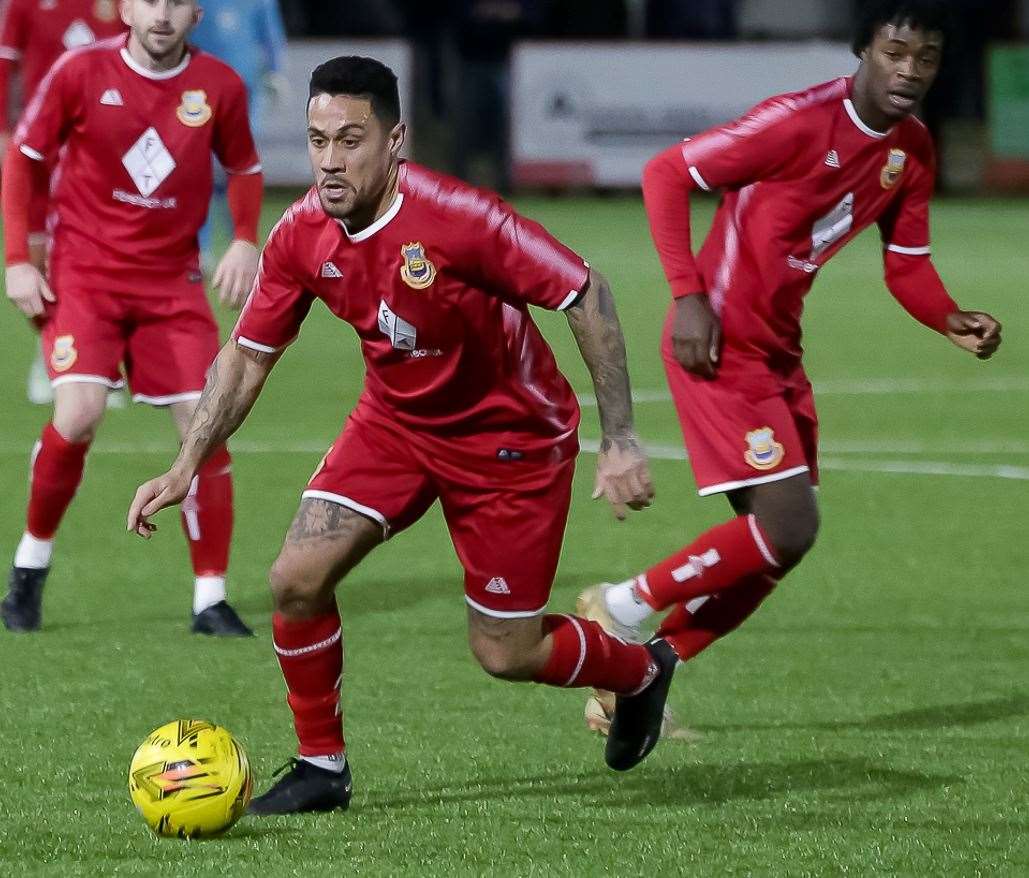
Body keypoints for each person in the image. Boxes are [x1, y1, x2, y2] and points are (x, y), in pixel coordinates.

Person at [128, 55, 664, 814]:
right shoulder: (301, 234)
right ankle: (322, 767)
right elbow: (247, 357)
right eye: (317, 141)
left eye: (351, 140)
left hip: (507, 441)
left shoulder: (459, 217)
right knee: (295, 579)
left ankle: (637, 671)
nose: (330, 161)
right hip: (395, 424)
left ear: (395, 140)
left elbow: (585, 291)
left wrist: (620, 439)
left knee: (504, 653)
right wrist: (187, 462)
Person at [576, 0, 1003, 753]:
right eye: (894, 51)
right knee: (788, 524)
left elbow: (905, 265)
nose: (908, 71)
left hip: (777, 355)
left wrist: (948, 317)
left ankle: (647, 668)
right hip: (720, 346)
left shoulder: (912, 149)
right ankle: (619, 607)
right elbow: (666, 172)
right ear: (863, 49)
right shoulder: (797, 121)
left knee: (778, 544)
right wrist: (688, 296)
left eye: (926, 57)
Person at [2, 0, 264, 636]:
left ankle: (210, 599)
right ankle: (29, 569)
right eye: (149, 0)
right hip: (85, 276)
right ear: (124, 8)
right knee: (80, 412)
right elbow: (24, 161)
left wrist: (244, 238)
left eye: (177, 2)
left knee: (206, 424)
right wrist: (17, 258)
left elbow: (245, 170)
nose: (163, 14)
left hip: (172, 285)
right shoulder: (78, 71)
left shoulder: (219, 86)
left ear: (197, 14)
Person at [0, 0, 127, 404]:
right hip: (41, 146)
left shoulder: (120, 5)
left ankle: (100, 360)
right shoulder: (26, 4)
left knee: (108, 253)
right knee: (38, 257)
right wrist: (3, 131)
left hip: (102, 151)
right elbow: (5, 66)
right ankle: (51, 351)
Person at [189, 0, 286, 267]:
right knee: (199, 170)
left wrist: (276, 72)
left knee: (239, 167)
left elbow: (271, 33)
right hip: (199, 92)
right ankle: (200, 248)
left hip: (246, 93)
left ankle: (241, 243)